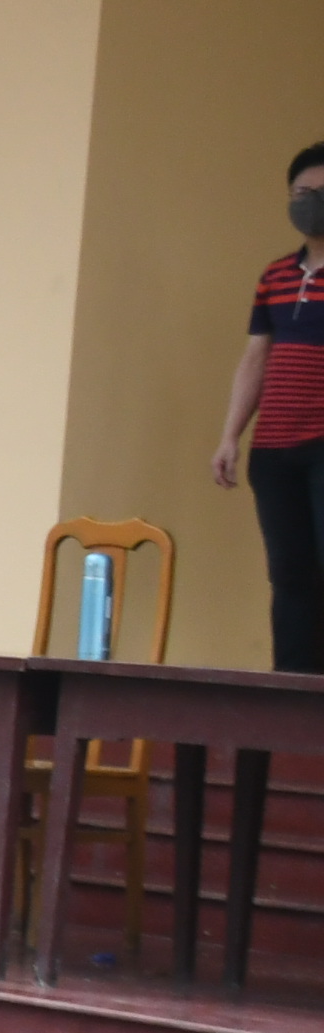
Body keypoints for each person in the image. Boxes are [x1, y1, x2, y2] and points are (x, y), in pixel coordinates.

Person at [212, 141, 324, 671]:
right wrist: (230, 436)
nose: (312, 202)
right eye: (303, 192)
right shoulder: (275, 276)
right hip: (275, 451)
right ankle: (293, 693)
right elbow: (256, 355)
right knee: (289, 576)